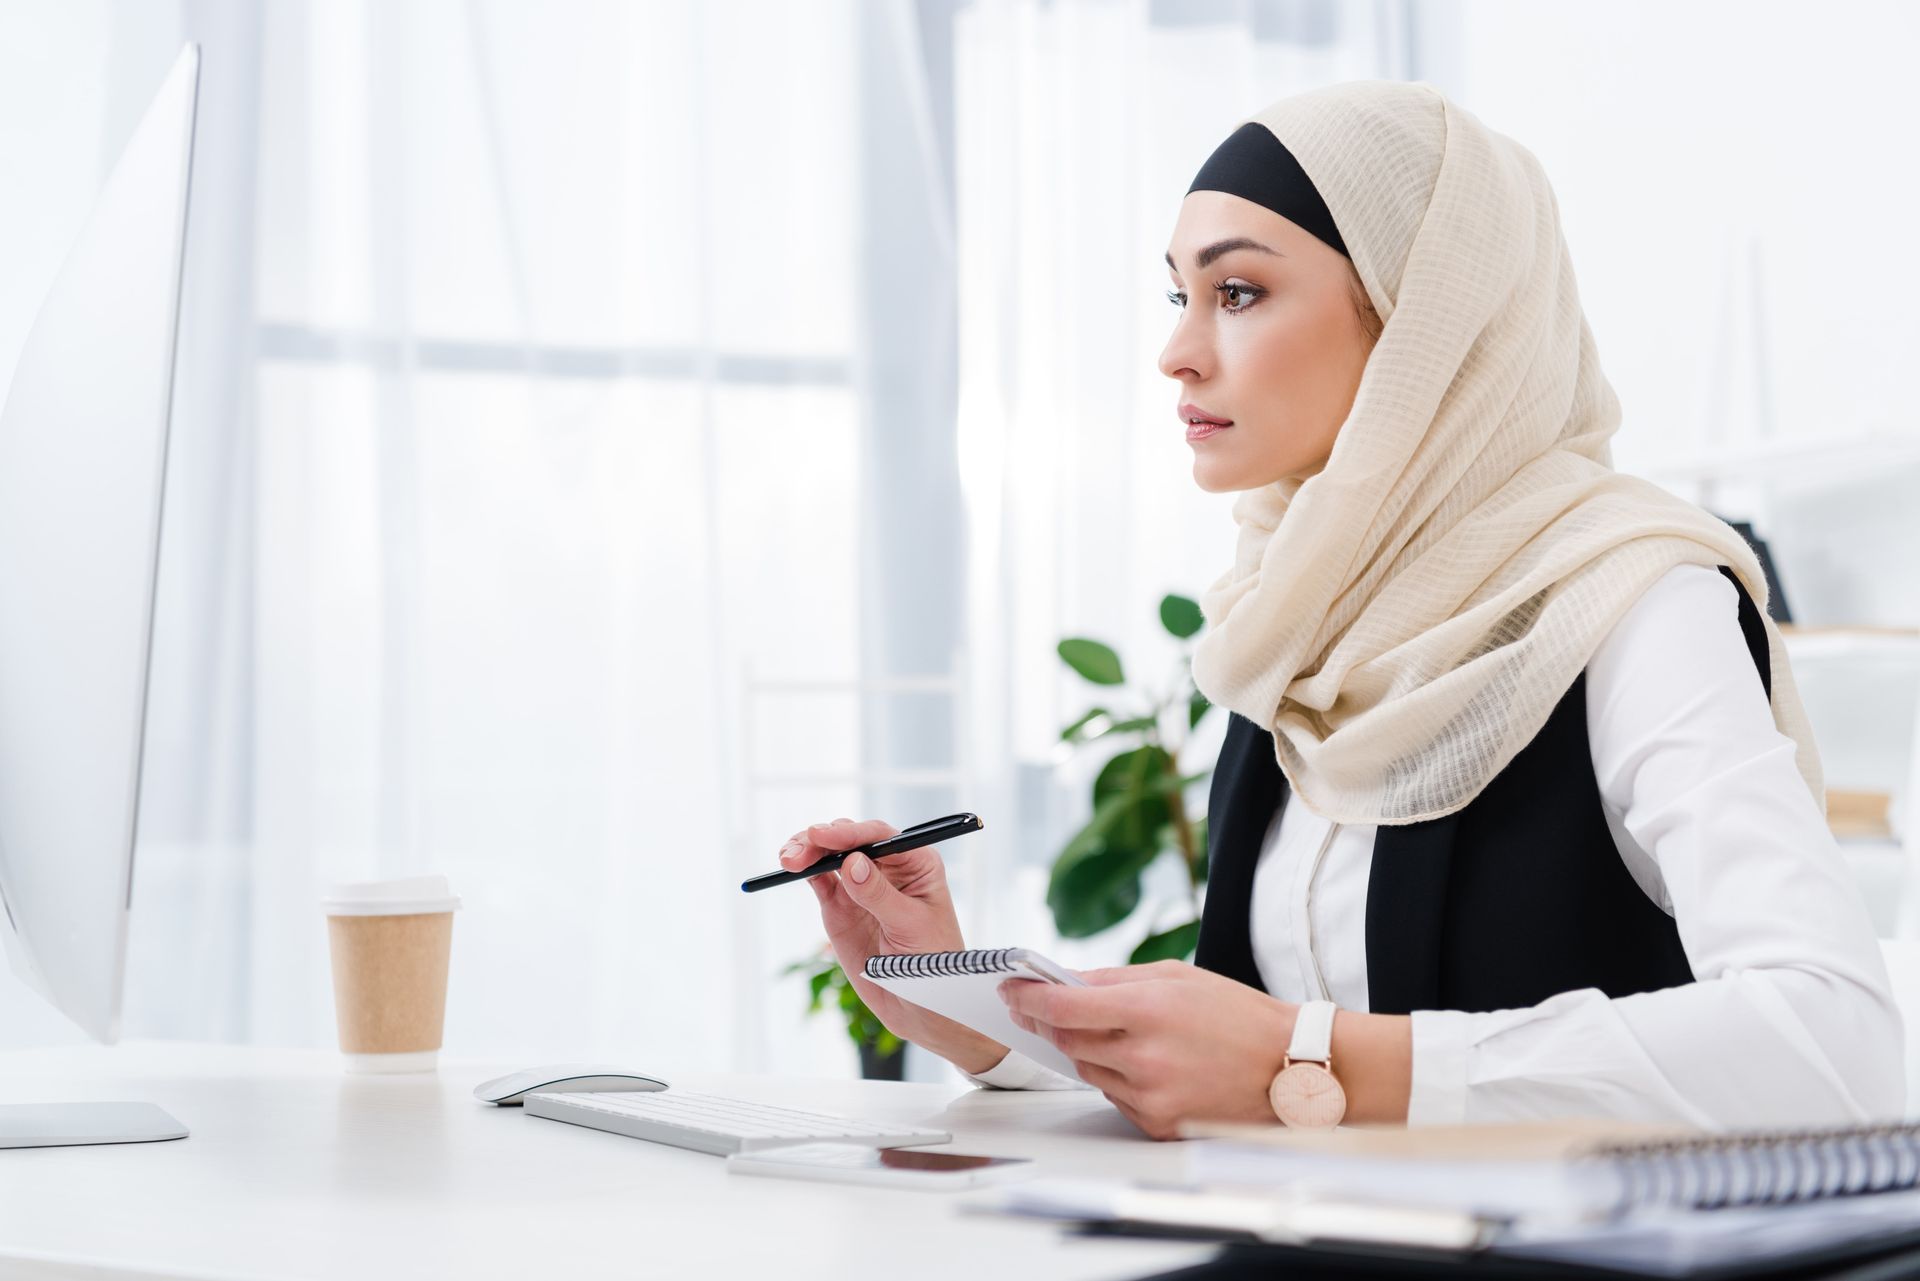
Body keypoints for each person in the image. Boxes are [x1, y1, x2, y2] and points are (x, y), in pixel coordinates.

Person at [776, 80, 1903, 1138]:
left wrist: (1315, 1063)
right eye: (1181, 295)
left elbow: (1832, 1045)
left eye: (1239, 292)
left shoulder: (1634, 599)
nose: (1175, 352)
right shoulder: (1296, 613)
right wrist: (978, 1017)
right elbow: (1252, 1062)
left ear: (1426, 321)